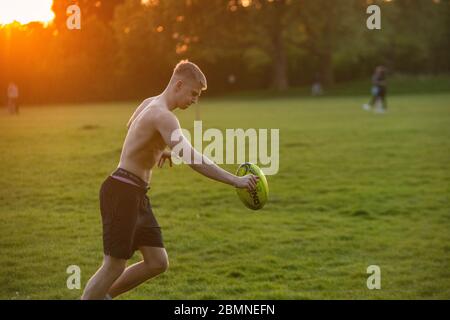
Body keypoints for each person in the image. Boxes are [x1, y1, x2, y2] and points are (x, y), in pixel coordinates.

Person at [81, 60, 259, 300]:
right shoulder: (164, 117)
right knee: (114, 266)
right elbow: (193, 158)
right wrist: (234, 181)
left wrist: (157, 149)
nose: (195, 99)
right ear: (179, 84)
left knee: (157, 262)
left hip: (135, 193)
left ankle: (102, 296)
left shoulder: (149, 104)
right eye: (193, 93)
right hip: (122, 192)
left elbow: (133, 127)